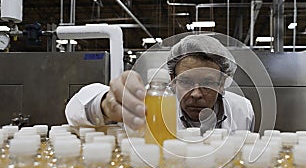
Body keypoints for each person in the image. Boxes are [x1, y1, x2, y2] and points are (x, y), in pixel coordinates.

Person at [65, 34, 255, 132]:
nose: (196, 94)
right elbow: (75, 109)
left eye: (207, 83)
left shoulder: (242, 110)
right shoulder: (149, 102)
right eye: (186, 81)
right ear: (172, 81)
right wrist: (105, 104)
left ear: (222, 84)